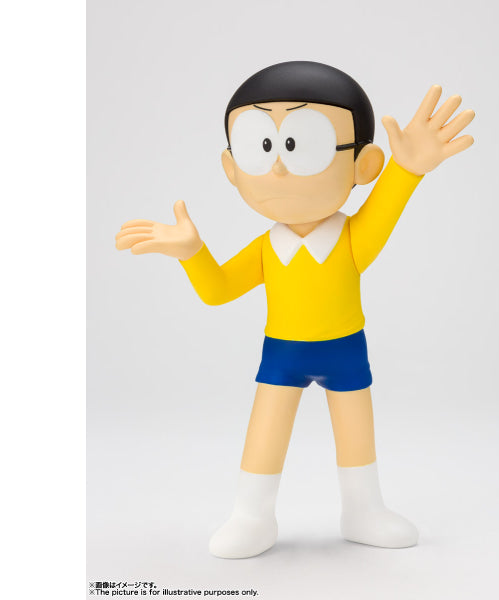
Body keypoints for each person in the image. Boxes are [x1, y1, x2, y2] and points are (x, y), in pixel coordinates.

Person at [115, 61, 475, 559]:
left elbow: (387, 204)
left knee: (356, 431)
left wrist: (407, 168)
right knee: (266, 430)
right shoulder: (267, 248)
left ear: (364, 165)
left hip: (346, 350)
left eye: (302, 144)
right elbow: (218, 290)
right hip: (281, 355)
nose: (279, 167)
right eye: (259, 146)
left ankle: (363, 509)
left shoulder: (353, 238)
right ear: (232, 168)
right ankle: (252, 514)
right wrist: (192, 253)